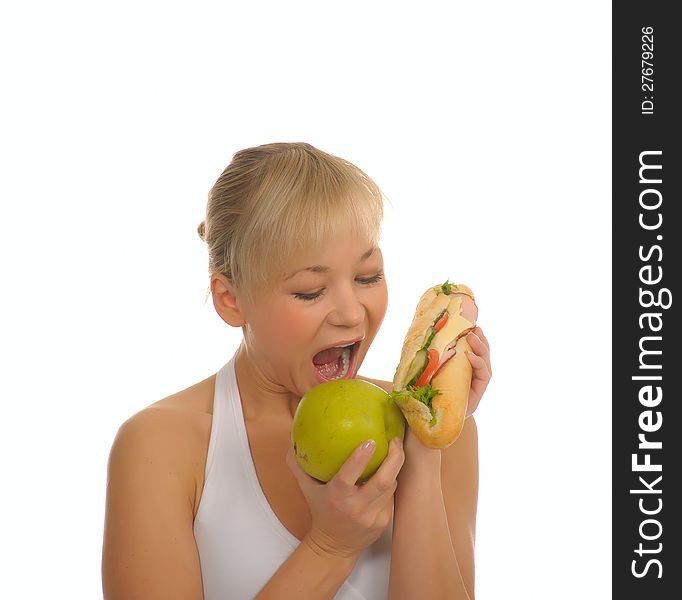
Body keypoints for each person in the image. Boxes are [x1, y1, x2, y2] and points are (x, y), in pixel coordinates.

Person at [101, 142, 492, 600]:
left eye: (368, 277)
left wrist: (424, 453)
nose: (351, 314)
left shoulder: (447, 433)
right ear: (231, 299)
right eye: (310, 291)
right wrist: (330, 547)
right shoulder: (160, 446)